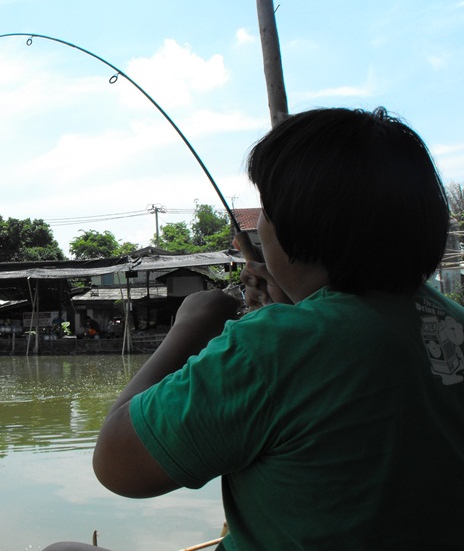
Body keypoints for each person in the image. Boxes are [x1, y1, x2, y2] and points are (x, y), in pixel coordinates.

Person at [44, 107, 463, 550]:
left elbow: (116, 465)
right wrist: (295, 309)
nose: (259, 225)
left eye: (266, 208)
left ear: (299, 227)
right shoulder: (451, 321)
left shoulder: (273, 345)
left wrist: (194, 324)